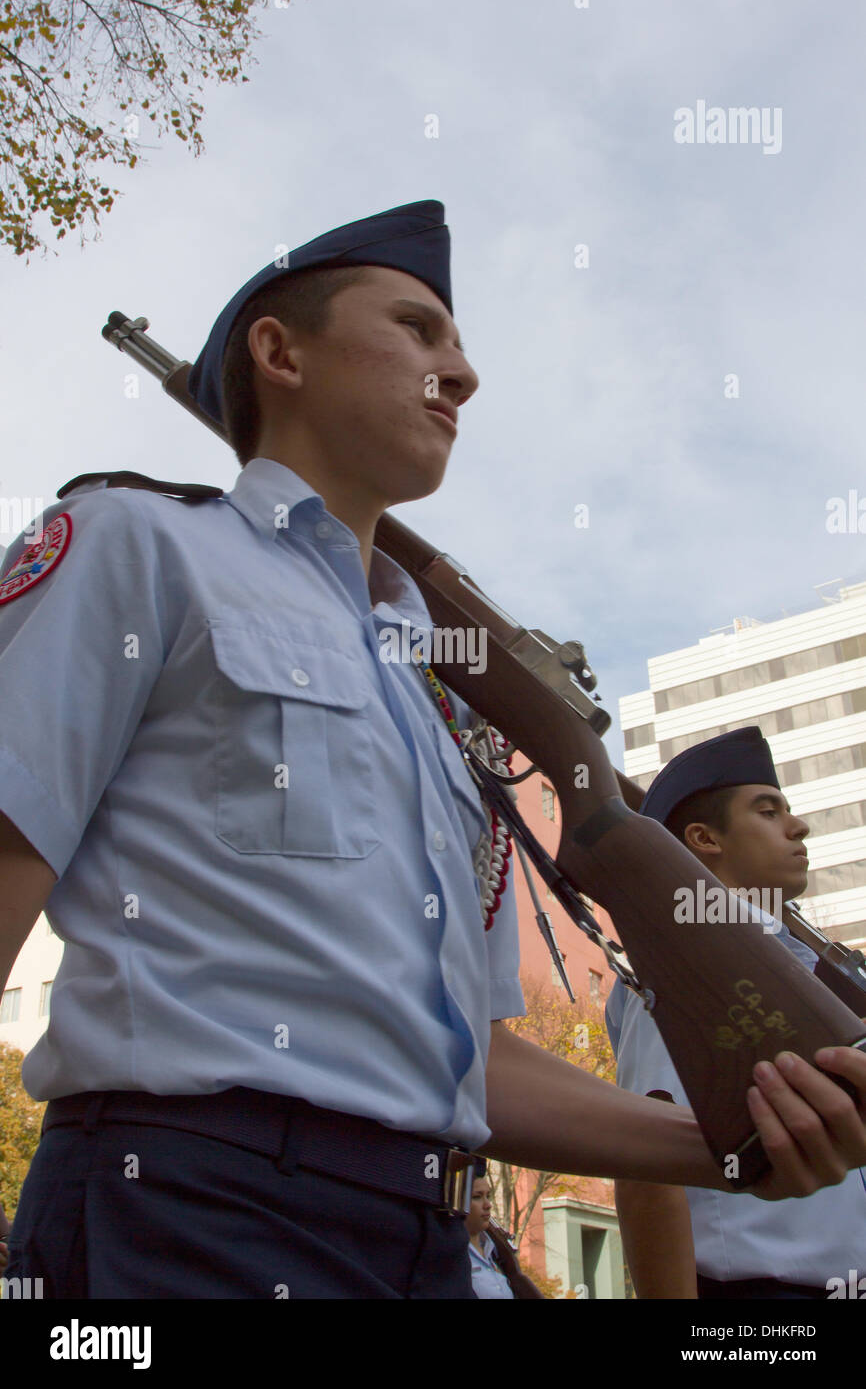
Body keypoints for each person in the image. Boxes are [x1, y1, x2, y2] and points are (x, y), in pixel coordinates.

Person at [2, 202, 866, 1300]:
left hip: (423, 1241)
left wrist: (732, 1151)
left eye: (454, 346)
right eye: (415, 329)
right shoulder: (139, 546)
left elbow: (470, 1069)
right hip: (184, 1213)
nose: (458, 374)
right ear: (279, 354)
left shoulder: (440, 718)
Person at [606, 727, 866, 1299]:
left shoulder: (792, 962)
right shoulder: (690, 960)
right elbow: (648, 1170)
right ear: (704, 839)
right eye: (768, 811)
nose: (797, 827)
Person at [466, 1163, 544, 1298]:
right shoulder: (453, 1251)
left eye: (488, 1196)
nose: (487, 1205)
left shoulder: (495, 1251)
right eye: (477, 1197)